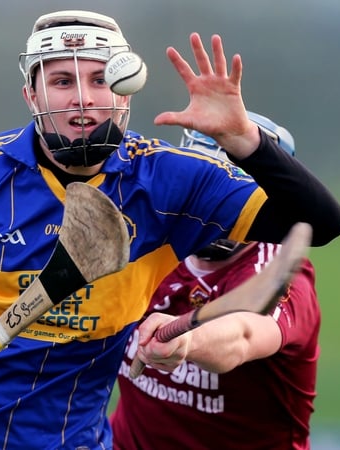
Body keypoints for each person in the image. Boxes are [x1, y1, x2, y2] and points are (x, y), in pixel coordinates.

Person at [0, 9, 340, 449]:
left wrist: (244, 140)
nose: (82, 98)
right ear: (30, 93)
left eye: (100, 80)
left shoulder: (168, 188)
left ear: (123, 91)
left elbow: (318, 224)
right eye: (62, 81)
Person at [110, 122, 320, 450]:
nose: (215, 209)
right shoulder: (148, 243)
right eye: (204, 190)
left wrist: (189, 340)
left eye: (232, 195)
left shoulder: (279, 272)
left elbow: (243, 335)